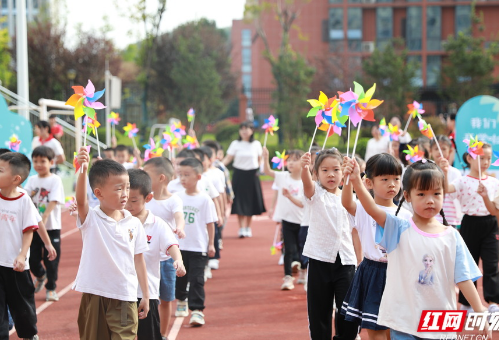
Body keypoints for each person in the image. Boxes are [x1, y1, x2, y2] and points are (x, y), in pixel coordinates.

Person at [344, 157, 489, 339]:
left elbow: (463, 278)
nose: (430, 200)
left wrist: (479, 310)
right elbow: (372, 209)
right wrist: (356, 181)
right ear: (407, 196)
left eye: (436, 194)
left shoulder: (451, 236)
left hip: (439, 321)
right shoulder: (398, 228)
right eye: (421, 194)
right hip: (405, 319)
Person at [74, 149, 150, 340]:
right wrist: (83, 169)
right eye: (118, 189)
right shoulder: (91, 218)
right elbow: (81, 201)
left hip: (125, 296)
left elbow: (138, 260)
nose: (125, 194)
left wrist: (146, 295)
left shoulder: (133, 223)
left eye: (127, 187)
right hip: (95, 294)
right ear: (99, 193)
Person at [341, 153, 411, 340]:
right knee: (375, 331)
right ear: (369, 183)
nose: (392, 184)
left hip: (397, 274)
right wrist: (349, 178)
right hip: (371, 272)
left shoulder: (405, 215)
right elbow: (347, 203)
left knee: (394, 331)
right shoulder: (363, 208)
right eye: (385, 179)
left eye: (396, 179)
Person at [300, 148, 360, 340]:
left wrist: (359, 259)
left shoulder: (350, 199)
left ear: (343, 173)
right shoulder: (315, 194)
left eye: (336, 169)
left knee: (347, 312)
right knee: (319, 311)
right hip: (319, 259)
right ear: (316, 174)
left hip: (346, 261)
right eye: (325, 170)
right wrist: (304, 169)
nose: (331, 174)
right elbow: (307, 184)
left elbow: (355, 231)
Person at [125, 169, 186, 340]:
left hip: (147, 293)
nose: (128, 206)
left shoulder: (157, 224)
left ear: (148, 198)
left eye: (134, 201)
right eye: (125, 200)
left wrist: (178, 260)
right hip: (122, 291)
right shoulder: (119, 220)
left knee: (148, 335)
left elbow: (171, 244)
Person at [441, 143, 499, 314]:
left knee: (491, 263)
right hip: (469, 224)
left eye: (489, 158)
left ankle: (493, 301)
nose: (486, 162)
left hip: (490, 225)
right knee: (468, 263)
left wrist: (486, 196)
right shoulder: (462, 180)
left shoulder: (494, 182)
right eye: (482, 158)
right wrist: (444, 172)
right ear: (469, 158)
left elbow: (494, 210)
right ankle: (467, 303)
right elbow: (446, 189)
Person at [143, 157, 186, 338]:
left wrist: (180, 227)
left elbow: (179, 216)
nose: (143, 178)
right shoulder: (144, 198)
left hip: (166, 259)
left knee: (166, 299)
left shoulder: (173, 200)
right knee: (147, 298)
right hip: (146, 258)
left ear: (161, 178)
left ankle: (163, 335)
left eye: (147, 174)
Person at [0, 152, 40, 340]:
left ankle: (29, 335)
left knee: (23, 308)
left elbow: (28, 231)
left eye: (0, 170)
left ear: (16, 179)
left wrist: (22, 255)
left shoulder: (24, 200)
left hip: (16, 266)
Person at [174, 158, 217, 327]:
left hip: (198, 246)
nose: (182, 179)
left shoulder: (205, 199)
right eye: (180, 175)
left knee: (197, 279)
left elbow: (210, 223)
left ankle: (197, 311)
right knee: (180, 278)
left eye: (187, 175)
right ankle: (181, 300)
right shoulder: (176, 197)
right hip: (179, 247)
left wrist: (211, 244)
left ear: (198, 177)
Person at [24, 146, 65, 302]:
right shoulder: (33, 180)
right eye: (35, 161)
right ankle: (40, 275)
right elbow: (26, 196)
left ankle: (51, 288)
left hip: (51, 227)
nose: (39, 164)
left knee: (52, 260)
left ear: (51, 162)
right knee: (32, 259)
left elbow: (54, 199)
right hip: (34, 227)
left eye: (43, 161)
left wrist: (45, 215)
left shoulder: (55, 179)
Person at [262, 147, 305, 290]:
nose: (291, 163)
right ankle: (288, 277)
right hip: (287, 220)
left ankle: (304, 272)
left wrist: (290, 196)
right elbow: (267, 171)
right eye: (289, 160)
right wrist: (265, 157)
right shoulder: (283, 177)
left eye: (295, 160)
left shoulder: (306, 182)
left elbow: (303, 203)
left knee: (303, 249)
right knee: (289, 249)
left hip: (304, 221)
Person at [223, 121, 266, 238]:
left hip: (252, 176)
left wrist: (262, 168)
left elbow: (260, 160)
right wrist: (219, 166)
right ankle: (241, 228)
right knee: (239, 202)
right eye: (242, 129)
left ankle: (248, 227)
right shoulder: (235, 144)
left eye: (247, 129)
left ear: (252, 131)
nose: (244, 131)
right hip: (239, 175)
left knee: (251, 202)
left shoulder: (256, 144)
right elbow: (228, 158)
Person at [298, 145, 320, 290]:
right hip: (307, 224)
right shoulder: (311, 187)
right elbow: (307, 183)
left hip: (322, 229)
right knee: (307, 254)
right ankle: (306, 275)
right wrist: (304, 168)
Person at [430, 136, 462, 227]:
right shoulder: (426, 170)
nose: (440, 151)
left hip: (450, 218)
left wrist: (445, 172)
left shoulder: (455, 173)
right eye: (436, 148)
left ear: (450, 151)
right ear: (430, 151)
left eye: (444, 149)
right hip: (432, 216)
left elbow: (455, 195)